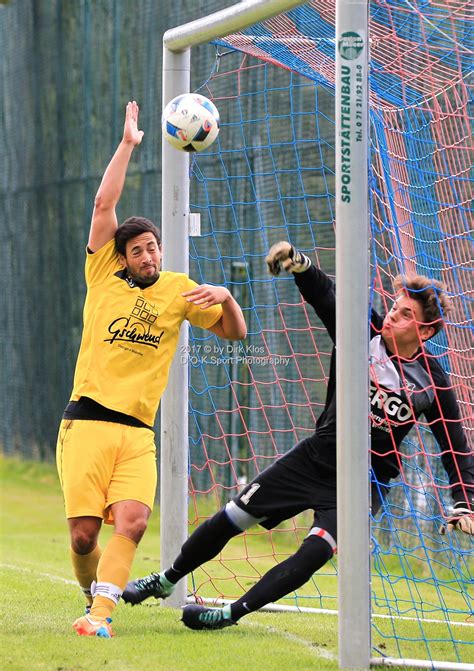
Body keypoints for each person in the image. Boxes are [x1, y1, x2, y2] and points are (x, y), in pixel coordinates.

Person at [122, 240, 473, 631]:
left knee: (315, 552)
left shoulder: (434, 381)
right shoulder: (362, 333)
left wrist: (464, 501)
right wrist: (299, 265)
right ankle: (167, 579)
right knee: (232, 517)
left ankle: (229, 614)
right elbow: (326, 296)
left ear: (425, 331)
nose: (392, 317)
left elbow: (454, 447)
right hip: (314, 458)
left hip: (364, 482)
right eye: (393, 307)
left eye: (405, 314)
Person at [56, 101, 247, 638]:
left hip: (138, 432)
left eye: (154, 247)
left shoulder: (178, 289)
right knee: (84, 538)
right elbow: (102, 205)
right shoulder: (103, 276)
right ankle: (89, 588)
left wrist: (228, 297)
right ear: (120, 257)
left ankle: (100, 617)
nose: (149, 256)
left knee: (135, 522)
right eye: (139, 249)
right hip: (88, 421)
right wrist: (128, 145)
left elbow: (236, 334)